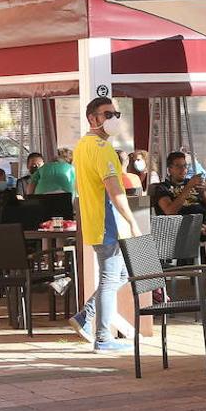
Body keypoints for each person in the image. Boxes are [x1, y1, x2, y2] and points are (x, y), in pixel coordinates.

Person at [68, 97, 141, 353]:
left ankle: (85, 317)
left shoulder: (82, 145)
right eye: (107, 114)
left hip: (94, 220)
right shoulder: (101, 148)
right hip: (106, 221)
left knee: (119, 275)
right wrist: (133, 222)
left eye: (115, 114)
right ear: (93, 118)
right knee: (112, 278)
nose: (113, 119)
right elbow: (114, 191)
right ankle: (102, 337)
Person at [152, 151, 206, 238]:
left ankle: (205, 229)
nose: (183, 169)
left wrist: (203, 193)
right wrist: (188, 187)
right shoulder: (163, 188)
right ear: (170, 170)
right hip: (181, 225)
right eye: (178, 166)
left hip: (203, 219)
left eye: (184, 166)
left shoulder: (192, 183)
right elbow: (170, 211)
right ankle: (202, 229)